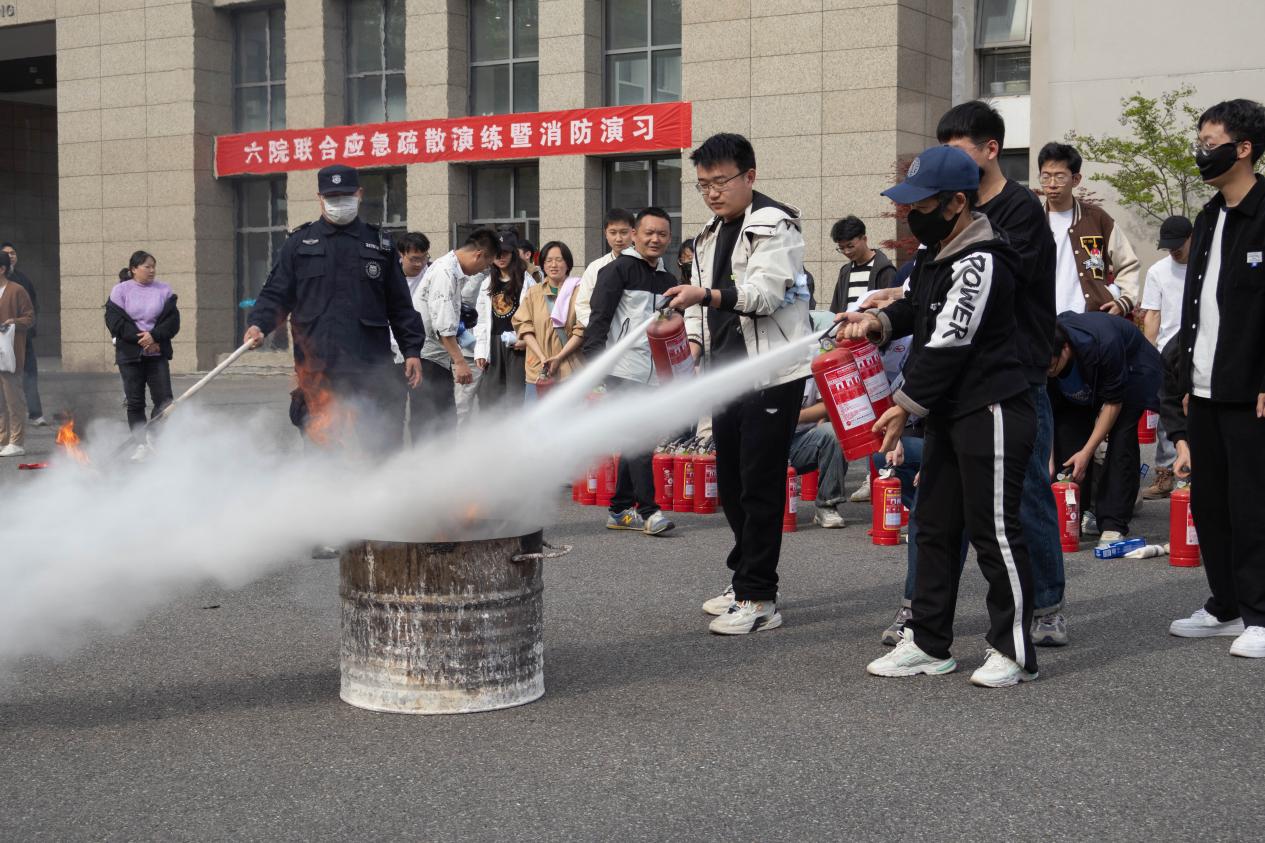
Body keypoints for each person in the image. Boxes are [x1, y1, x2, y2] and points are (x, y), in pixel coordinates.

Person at [840, 144, 1039, 687]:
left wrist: (902, 406)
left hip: (992, 408)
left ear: (956, 203)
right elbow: (915, 307)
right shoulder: (936, 253)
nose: (913, 216)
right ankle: (929, 642)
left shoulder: (980, 260)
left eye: (922, 205)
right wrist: (877, 323)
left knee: (994, 532)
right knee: (933, 526)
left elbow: (951, 341)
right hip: (950, 411)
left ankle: (1014, 650)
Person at [666, 132, 813, 636]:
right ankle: (744, 577)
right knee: (730, 481)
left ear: (749, 176)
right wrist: (691, 345)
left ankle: (759, 596)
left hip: (770, 374)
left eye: (721, 181)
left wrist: (705, 295)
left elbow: (764, 295)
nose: (712, 192)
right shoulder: (709, 234)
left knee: (760, 484)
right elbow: (698, 309)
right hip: (724, 375)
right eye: (703, 184)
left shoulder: (776, 224)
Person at [937, 101, 1066, 646]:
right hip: (965, 373)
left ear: (991, 150)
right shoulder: (954, 206)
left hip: (1017, 371)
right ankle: (922, 610)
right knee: (945, 497)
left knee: (1028, 489)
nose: (949, 162)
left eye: (958, 151)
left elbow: (995, 283)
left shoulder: (1020, 209)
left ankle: (1048, 605)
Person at [1168, 98, 1265, 658]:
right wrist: (1186, 378)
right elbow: (1196, 307)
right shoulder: (1207, 217)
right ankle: (1227, 605)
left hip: (1250, 390)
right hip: (1203, 386)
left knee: (1253, 506)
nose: (1202, 153)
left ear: (1243, 148)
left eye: (1210, 143)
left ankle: (1261, 612)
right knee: (1211, 504)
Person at [244, 165, 425, 456]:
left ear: (359, 194)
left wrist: (412, 350)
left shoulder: (380, 245)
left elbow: (400, 304)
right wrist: (259, 325)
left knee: (380, 446)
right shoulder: (299, 244)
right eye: (332, 197)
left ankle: (383, 486)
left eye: (346, 195)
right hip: (318, 365)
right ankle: (324, 485)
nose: (339, 202)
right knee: (321, 447)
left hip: (369, 365)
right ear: (320, 198)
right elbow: (276, 294)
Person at [582, 207, 678, 538]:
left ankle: (620, 509)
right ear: (635, 234)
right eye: (648, 232)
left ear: (669, 238)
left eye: (662, 234)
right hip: (622, 370)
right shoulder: (617, 270)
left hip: (654, 374)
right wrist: (595, 367)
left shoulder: (668, 280)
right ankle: (649, 512)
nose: (655, 239)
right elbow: (598, 319)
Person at [1047, 311, 1162, 545]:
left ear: (1065, 349)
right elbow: (1048, 412)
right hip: (1083, 381)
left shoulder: (1105, 344)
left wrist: (1088, 451)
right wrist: (1048, 459)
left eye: (1051, 367)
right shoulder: (1042, 354)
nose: (1048, 373)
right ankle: (1074, 514)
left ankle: (1113, 522)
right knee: (1067, 439)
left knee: (1121, 438)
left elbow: (1113, 403)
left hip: (1130, 369)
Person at [410, 228, 498, 438]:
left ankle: (435, 456)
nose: (482, 270)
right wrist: (460, 362)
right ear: (478, 255)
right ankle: (427, 457)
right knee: (434, 418)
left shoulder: (450, 269)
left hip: (435, 355)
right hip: (428, 357)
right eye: (485, 265)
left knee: (443, 417)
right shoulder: (445, 272)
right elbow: (443, 325)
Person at [1039, 142, 1141, 317]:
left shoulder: (1096, 218)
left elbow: (1128, 262)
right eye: (1046, 177)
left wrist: (1123, 300)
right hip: (1043, 321)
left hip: (1091, 319)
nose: (1052, 184)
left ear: (1076, 179)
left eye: (1060, 177)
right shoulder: (1032, 220)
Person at [102, 251, 179, 459]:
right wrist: (142, 340)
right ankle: (141, 444)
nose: (152, 270)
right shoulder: (120, 291)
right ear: (134, 269)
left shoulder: (164, 290)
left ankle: (153, 436)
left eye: (153, 266)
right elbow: (114, 322)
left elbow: (172, 322)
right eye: (147, 266)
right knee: (135, 402)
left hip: (157, 352)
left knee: (165, 401)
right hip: (130, 354)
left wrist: (154, 337)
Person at [1139, 215, 1192, 500]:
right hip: (1167, 353)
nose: (1173, 251)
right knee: (1166, 415)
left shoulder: (1206, 265)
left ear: (1192, 238)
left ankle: (1196, 473)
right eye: (1168, 246)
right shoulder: (1158, 271)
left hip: (1200, 349)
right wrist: (1149, 355)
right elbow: (1153, 314)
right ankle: (1165, 473)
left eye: (1178, 245)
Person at [514, 240, 584, 398]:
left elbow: (582, 329)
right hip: (538, 368)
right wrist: (542, 357)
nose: (553, 265)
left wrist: (559, 357)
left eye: (559, 260)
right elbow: (524, 325)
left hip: (569, 369)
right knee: (536, 413)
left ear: (568, 264)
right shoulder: (533, 293)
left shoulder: (579, 291)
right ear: (542, 265)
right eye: (548, 260)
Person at [474, 232, 532, 411]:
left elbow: (534, 316)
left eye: (505, 253)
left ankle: (515, 428)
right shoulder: (487, 283)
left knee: (516, 394)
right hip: (493, 343)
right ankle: (492, 427)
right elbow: (481, 320)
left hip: (518, 345)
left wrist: (524, 339)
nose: (500, 257)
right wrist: (480, 350)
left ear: (513, 253)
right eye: (497, 253)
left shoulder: (527, 281)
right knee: (490, 395)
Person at [788, 380, 848, 528]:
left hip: (801, 441)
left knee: (833, 434)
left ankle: (827, 505)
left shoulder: (810, 368)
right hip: (763, 443)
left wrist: (791, 417)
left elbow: (826, 405)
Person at [391, 232, 432, 444]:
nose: (419, 264)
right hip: (392, 352)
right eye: (414, 259)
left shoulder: (431, 274)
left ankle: (421, 452)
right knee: (393, 410)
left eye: (423, 258)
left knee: (423, 409)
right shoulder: (390, 275)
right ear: (401, 254)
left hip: (421, 352)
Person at [1, 242, 45, 426]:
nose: (10, 256)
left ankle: (35, 414)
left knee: (29, 374)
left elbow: (32, 308)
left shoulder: (22, 281)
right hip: (2, 340)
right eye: (6, 254)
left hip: (21, 337)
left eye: (13, 253)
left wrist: (26, 327)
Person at [574, 208, 636, 327]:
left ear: (633, 233)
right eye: (613, 233)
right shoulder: (595, 267)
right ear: (605, 233)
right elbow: (583, 305)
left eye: (624, 232)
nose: (618, 238)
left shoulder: (645, 264)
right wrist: (596, 327)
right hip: (603, 334)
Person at [0, 250, 35, 458]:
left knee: (13, 399)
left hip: (10, 353)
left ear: (2, 269)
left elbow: (29, 317)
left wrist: (14, 321)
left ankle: (17, 441)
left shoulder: (17, 290)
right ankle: (3, 439)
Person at [827, 215, 897, 311]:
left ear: (864, 239)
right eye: (841, 248)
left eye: (850, 246)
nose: (846, 252)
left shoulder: (885, 270)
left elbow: (892, 309)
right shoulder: (845, 272)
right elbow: (835, 309)